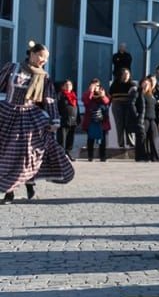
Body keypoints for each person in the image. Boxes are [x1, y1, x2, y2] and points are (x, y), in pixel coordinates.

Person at [0, 42, 74, 203]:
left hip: (29, 118)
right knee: (6, 154)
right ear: (32, 54)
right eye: (41, 56)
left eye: (46, 59)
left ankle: (12, 191)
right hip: (7, 114)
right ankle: (26, 183)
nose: (43, 61)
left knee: (27, 154)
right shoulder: (12, 68)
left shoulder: (43, 76)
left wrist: (54, 119)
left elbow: (49, 99)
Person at [133, 76, 159, 162]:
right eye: (144, 83)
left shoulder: (151, 95)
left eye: (148, 83)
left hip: (152, 119)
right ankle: (140, 156)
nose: (146, 85)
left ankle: (155, 157)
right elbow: (132, 104)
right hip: (143, 119)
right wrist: (137, 115)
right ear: (141, 84)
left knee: (154, 137)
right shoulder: (138, 93)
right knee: (141, 138)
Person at [81, 79, 111, 162]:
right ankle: (90, 156)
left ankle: (102, 156)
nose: (95, 87)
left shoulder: (103, 93)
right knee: (90, 139)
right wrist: (91, 91)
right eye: (93, 85)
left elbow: (107, 102)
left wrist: (103, 96)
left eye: (97, 85)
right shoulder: (87, 94)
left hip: (102, 121)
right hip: (91, 121)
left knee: (102, 140)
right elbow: (86, 101)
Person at [109, 68, 138, 150]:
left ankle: (131, 143)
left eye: (127, 74)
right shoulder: (115, 84)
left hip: (128, 106)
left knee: (128, 124)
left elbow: (136, 96)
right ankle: (121, 144)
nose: (126, 76)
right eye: (124, 74)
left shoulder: (132, 85)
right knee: (119, 124)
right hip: (117, 105)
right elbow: (110, 95)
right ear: (121, 75)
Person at [56, 80, 79, 161]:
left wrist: (78, 118)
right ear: (63, 86)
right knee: (62, 139)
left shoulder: (73, 95)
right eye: (67, 84)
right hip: (63, 120)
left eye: (70, 84)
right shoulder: (60, 95)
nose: (69, 86)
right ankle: (61, 156)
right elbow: (57, 107)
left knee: (70, 139)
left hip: (73, 121)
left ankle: (68, 153)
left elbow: (77, 108)